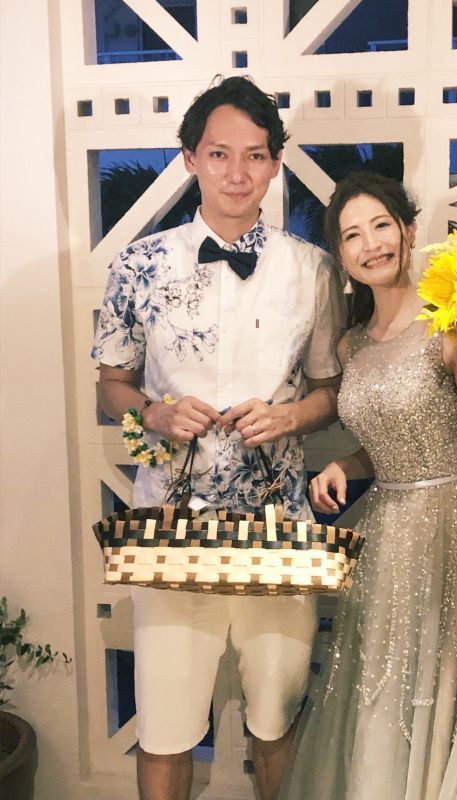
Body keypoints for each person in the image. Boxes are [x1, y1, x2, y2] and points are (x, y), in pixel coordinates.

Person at [92, 75, 345, 800]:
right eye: (219, 153)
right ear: (189, 159)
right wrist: (154, 413)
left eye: (256, 155)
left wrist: (289, 417)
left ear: (275, 163)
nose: (238, 173)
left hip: (279, 529)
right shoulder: (139, 263)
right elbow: (111, 383)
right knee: (165, 727)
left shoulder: (312, 270)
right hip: (170, 530)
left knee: (277, 719)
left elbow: (331, 392)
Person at [279, 172, 457, 800]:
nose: (370, 244)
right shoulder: (351, 345)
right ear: (341, 254)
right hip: (387, 537)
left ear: (408, 230)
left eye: (381, 226)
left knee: (452, 693)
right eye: (352, 235)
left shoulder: (450, 329)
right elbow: (393, 439)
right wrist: (346, 466)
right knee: (385, 690)